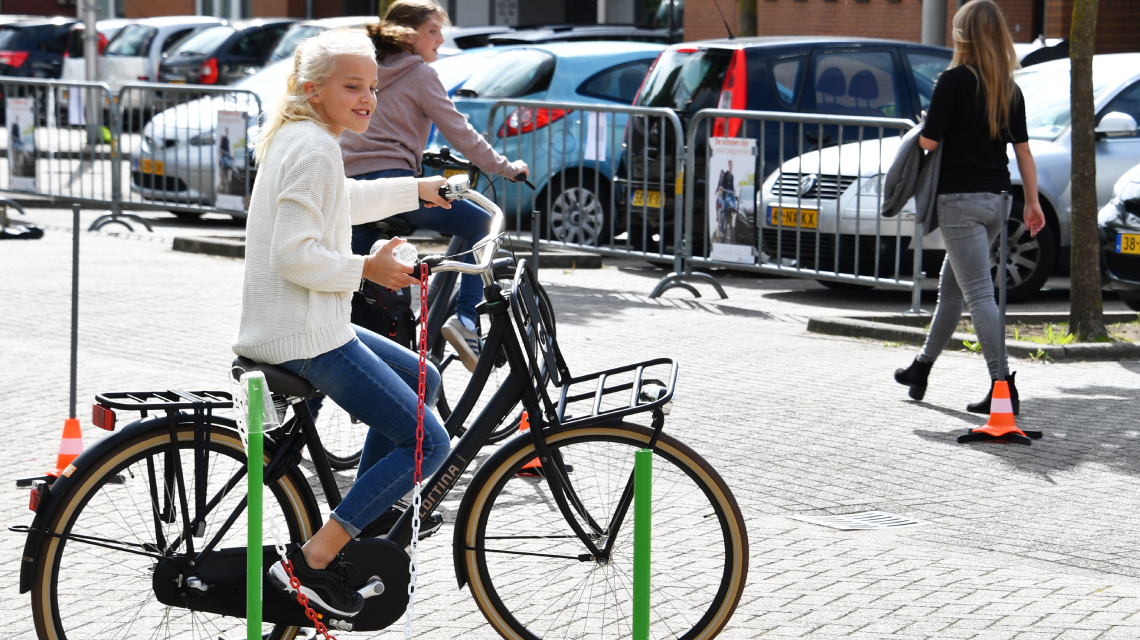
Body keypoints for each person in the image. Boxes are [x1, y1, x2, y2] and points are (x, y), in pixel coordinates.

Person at [232, 29, 451, 619]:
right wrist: (368, 269)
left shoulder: (305, 137)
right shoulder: (312, 147)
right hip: (305, 336)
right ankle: (312, 561)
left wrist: (419, 189)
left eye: (373, 87)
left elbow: (343, 201)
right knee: (430, 443)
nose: (367, 99)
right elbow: (293, 255)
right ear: (312, 89)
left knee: (425, 374)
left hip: (313, 324)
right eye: (352, 86)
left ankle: (366, 517)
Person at [339, 0, 528, 373]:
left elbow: (376, 132)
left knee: (352, 305)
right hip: (394, 187)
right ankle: (467, 321)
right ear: (408, 35)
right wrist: (506, 168)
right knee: (482, 225)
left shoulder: (364, 71)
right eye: (432, 31)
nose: (441, 39)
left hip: (352, 192)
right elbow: (461, 133)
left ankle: (311, 406)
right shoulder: (419, 74)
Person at [893, 0, 1045, 415]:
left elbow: (928, 143)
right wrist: (1031, 203)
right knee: (952, 291)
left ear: (963, 35)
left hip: (959, 201)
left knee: (978, 293)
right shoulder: (1008, 89)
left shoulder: (953, 81)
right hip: (997, 201)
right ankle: (921, 368)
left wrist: (924, 129)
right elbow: (1025, 153)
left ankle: (1002, 386)